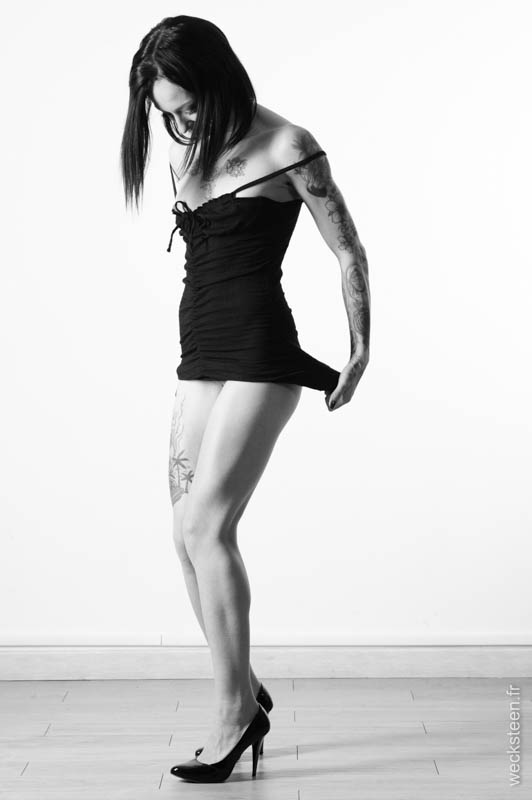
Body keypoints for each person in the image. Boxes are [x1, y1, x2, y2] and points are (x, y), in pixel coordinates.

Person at [120, 14, 370, 783]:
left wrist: (361, 348)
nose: (183, 122)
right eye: (170, 112)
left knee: (208, 526)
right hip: (200, 350)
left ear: (221, 78)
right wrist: (176, 127)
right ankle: (245, 689)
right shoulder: (183, 143)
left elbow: (347, 248)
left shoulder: (288, 145)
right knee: (182, 534)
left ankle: (232, 713)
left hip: (261, 352)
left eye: (191, 104)